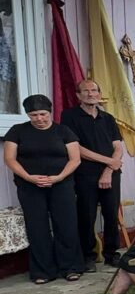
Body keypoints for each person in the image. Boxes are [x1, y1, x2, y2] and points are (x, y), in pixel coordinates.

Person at [2, 94, 84, 284]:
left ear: (50, 112)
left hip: (61, 184)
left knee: (66, 226)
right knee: (37, 227)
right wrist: (28, 177)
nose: (39, 119)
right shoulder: (17, 131)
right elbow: (9, 159)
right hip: (29, 186)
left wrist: (59, 177)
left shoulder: (64, 131)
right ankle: (42, 271)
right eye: (33, 115)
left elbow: (75, 159)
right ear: (28, 115)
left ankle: (71, 267)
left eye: (42, 114)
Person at [62, 79, 123, 272]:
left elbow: (118, 147)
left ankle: (112, 254)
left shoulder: (108, 118)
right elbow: (76, 148)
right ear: (78, 95)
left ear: (99, 93)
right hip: (85, 174)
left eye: (94, 90)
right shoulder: (69, 116)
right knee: (86, 215)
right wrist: (108, 161)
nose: (90, 94)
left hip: (111, 174)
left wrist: (109, 170)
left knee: (111, 214)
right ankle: (88, 256)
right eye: (85, 91)